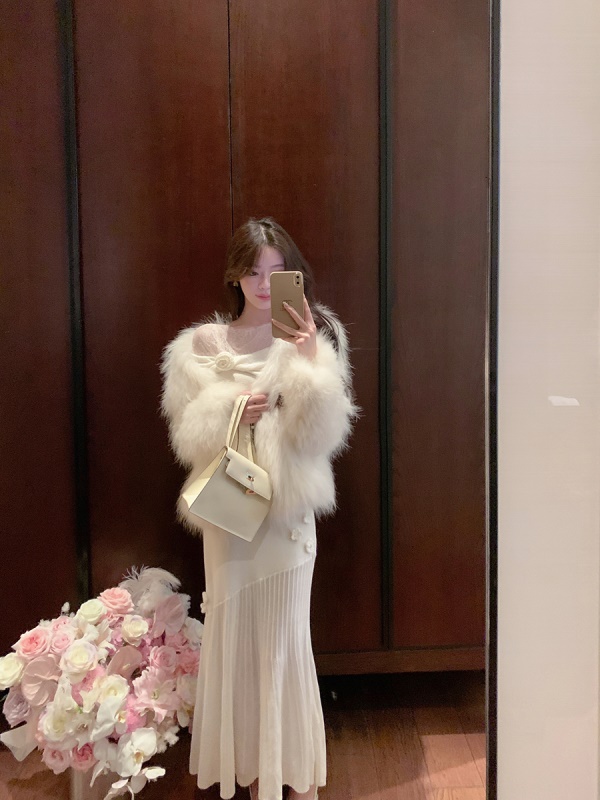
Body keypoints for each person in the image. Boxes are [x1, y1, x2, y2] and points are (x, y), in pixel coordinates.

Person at [159, 217, 358, 800]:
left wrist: (308, 361)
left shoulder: (313, 338)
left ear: (293, 273)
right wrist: (230, 410)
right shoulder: (200, 347)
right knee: (234, 635)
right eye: (253, 271)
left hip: (288, 519)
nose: (265, 283)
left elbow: (322, 438)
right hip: (231, 515)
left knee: (286, 638)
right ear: (235, 276)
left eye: (276, 270)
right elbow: (185, 437)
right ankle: (246, 771)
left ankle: (291, 773)